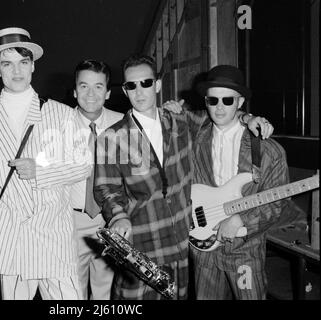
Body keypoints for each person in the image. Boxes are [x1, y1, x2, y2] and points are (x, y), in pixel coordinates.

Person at [93, 54, 272, 300]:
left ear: (157, 84)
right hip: (141, 243)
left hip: (181, 246)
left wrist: (248, 118)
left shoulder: (181, 121)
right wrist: (118, 217)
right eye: (131, 85)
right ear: (125, 90)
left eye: (145, 83)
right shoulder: (112, 138)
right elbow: (106, 188)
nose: (139, 91)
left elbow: (221, 112)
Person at [0, 27, 91, 300]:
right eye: (7, 64)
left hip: (53, 232)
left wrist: (40, 172)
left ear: (33, 65)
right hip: (11, 232)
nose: (16, 71)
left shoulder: (60, 113)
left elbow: (83, 166)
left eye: (23, 62)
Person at [187, 65, 302, 299]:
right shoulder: (196, 136)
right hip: (204, 248)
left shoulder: (268, 150)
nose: (219, 107)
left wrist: (241, 219)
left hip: (245, 250)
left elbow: (276, 204)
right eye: (212, 100)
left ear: (240, 103)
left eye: (228, 100)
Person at [71, 59, 123, 299]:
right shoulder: (57, 124)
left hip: (109, 219)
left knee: (103, 291)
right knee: (72, 292)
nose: (91, 94)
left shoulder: (124, 123)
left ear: (108, 92)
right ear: (74, 91)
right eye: (84, 86)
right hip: (71, 221)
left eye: (98, 86)